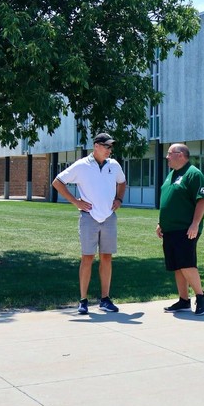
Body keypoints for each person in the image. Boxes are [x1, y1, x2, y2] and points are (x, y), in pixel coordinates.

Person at [51, 132, 127, 314]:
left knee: (107, 257)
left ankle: (105, 299)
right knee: (87, 257)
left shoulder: (114, 165)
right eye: (106, 146)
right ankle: (83, 300)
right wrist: (75, 202)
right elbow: (57, 182)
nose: (109, 150)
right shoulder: (82, 165)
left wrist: (119, 199)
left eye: (110, 147)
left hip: (109, 217)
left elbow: (122, 182)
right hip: (88, 218)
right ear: (96, 146)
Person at [156, 144, 204, 315]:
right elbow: (169, 200)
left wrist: (195, 224)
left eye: (169, 153)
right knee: (177, 266)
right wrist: (161, 223)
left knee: (186, 264)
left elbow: (201, 200)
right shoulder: (172, 174)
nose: (167, 157)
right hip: (170, 229)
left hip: (185, 229)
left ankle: (201, 296)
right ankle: (184, 300)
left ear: (180, 155)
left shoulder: (193, 174)